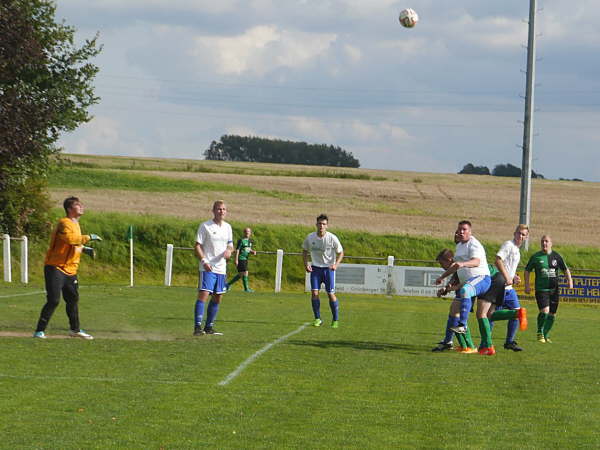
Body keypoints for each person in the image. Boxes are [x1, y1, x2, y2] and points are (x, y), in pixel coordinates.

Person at [33, 197, 102, 339]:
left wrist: (84, 249)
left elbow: (72, 244)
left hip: (71, 270)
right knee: (54, 300)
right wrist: (88, 237)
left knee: (73, 300)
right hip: (55, 267)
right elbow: (70, 239)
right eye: (78, 205)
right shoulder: (64, 223)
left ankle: (75, 330)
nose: (82, 207)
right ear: (70, 209)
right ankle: (39, 331)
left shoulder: (76, 224)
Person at [435, 220, 491, 352]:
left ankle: (463, 326)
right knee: (454, 310)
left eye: (464, 229)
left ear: (470, 232)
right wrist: (442, 277)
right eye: (459, 229)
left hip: (481, 279)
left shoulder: (474, 244)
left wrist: (463, 264)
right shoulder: (459, 246)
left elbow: (477, 261)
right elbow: (455, 266)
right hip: (469, 283)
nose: (461, 231)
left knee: (467, 292)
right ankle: (448, 342)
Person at [476, 225, 529, 355]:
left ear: (526, 237)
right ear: (514, 233)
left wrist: (513, 276)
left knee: (517, 313)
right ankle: (485, 344)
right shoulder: (508, 245)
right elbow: (498, 260)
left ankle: (509, 342)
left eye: (523, 235)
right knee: (491, 316)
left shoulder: (516, 249)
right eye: (519, 233)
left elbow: (507, 266)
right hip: (500, 286)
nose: (520, 236)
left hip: (508, 289)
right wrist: (506, 277)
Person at [193, 200, 234, 336]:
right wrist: (204, 261)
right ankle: (197, 327)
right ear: (213, 210)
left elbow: (230, 245)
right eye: (218, 209)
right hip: (208, 267)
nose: (221, 211)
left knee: (218, 297)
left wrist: (229, 250)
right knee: (204, 294)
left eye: (223, 209)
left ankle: (208, 326)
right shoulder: (205, 226)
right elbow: (197, 245)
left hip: (221, 268)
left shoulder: (228, 227)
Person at [524, 235, 573, 343]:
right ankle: (539, 332)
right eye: (542, 241)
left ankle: (546, 334)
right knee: (545, 311)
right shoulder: (536, 257)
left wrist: (570, 282)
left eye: (546, 241)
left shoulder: (556, 256)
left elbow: (565, 269)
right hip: (541, 289)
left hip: (554, 290)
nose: (544, 243)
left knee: (552, 314)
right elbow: (527, 270)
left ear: (551, 243)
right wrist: (527, 285)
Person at [431, 248, 477, 354]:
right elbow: (454, 280)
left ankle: (468, 345)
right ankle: (451, 342)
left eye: (442, 263)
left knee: (458, 316)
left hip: (469, 289)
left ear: (449, 260)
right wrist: (447, 288)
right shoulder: (457, 268)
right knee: (455, 314)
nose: (442, 267)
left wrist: (449, 288)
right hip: (465, 290)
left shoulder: (460, 265)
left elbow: (461, 281)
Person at [302, 214, 344, 328]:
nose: (321, 226)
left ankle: (335, 320)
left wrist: (336, 265)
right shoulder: (310, 237)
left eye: (324, 224)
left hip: (328, 269)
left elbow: (341, 252)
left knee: (330, 294)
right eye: (320, 223)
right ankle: (318, 319)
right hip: (315, 269)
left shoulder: (332, 238)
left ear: (327, 226)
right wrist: (306, 264)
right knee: (314, 293)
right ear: (316, 225)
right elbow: (304, 251)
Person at [226, 227, 257, 292]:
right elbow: (237, 250)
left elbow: (248, 249)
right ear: (244, 233)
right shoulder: (241, 240)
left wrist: (252, 251)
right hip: (241, 258)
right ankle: (246, 289)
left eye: (248, 232)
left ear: (250, 233)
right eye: (246, 232)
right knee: (245, 272)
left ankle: (228, 285)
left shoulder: (249, 241)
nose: (247, 233)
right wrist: (236, 259)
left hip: (246, 259)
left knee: (241, 274)